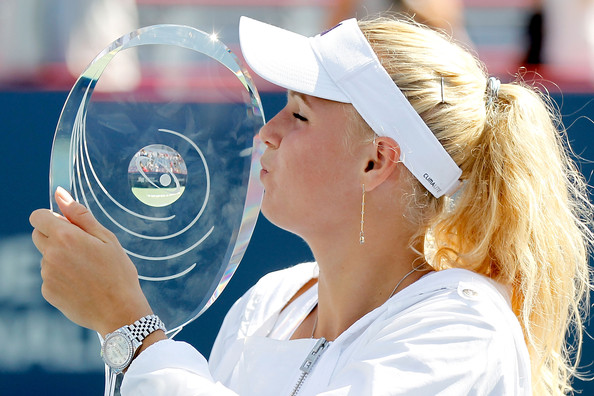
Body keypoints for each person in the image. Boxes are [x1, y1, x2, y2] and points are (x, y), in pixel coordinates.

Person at [29, 14, 593, 395]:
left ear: (375, 162)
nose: (265, 134)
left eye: (299, 114)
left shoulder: (464, 331)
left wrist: (128, 327)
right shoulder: (268, 302)